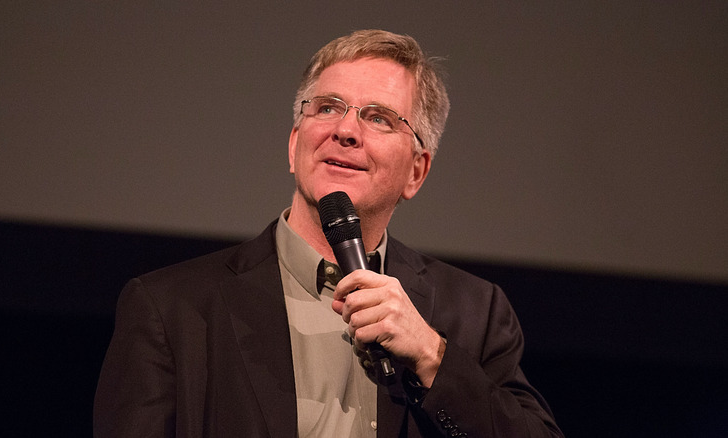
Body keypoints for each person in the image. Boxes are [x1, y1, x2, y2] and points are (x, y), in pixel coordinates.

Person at [94, 29, 563, 437]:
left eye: (379, 117)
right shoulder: (171, 308)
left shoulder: (474, 314)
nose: (345, 130)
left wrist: (430, 354)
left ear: (416, 172)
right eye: (327, 107)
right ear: (296, 144)